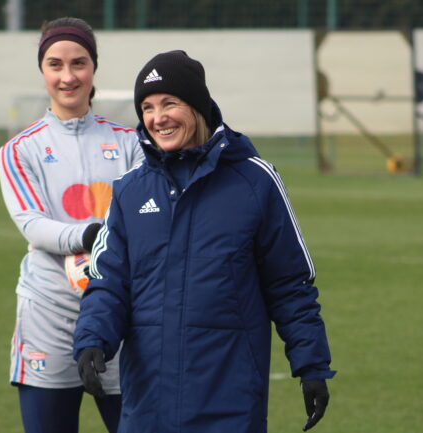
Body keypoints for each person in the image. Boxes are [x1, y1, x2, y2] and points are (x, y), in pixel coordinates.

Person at [73, 50, 336, 433]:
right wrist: (93, 339)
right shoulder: (130, 191)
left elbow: (289, 284)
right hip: (149, 406)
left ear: (197, 107)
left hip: (229, 402)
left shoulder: (255, 182)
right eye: (147, 107)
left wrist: (311, 365)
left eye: (169, 103)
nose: (157, 117)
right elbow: (109, 282)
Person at [0, 17, 144, 433]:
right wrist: (92, 235)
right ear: (42, 71)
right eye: (55, 64)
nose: (67, 76)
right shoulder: (18, 150)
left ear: (93, 68)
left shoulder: (130, 142)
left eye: (78, 63)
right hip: (48, 318)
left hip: (119, 314)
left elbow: (143, 219)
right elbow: (32, 224)